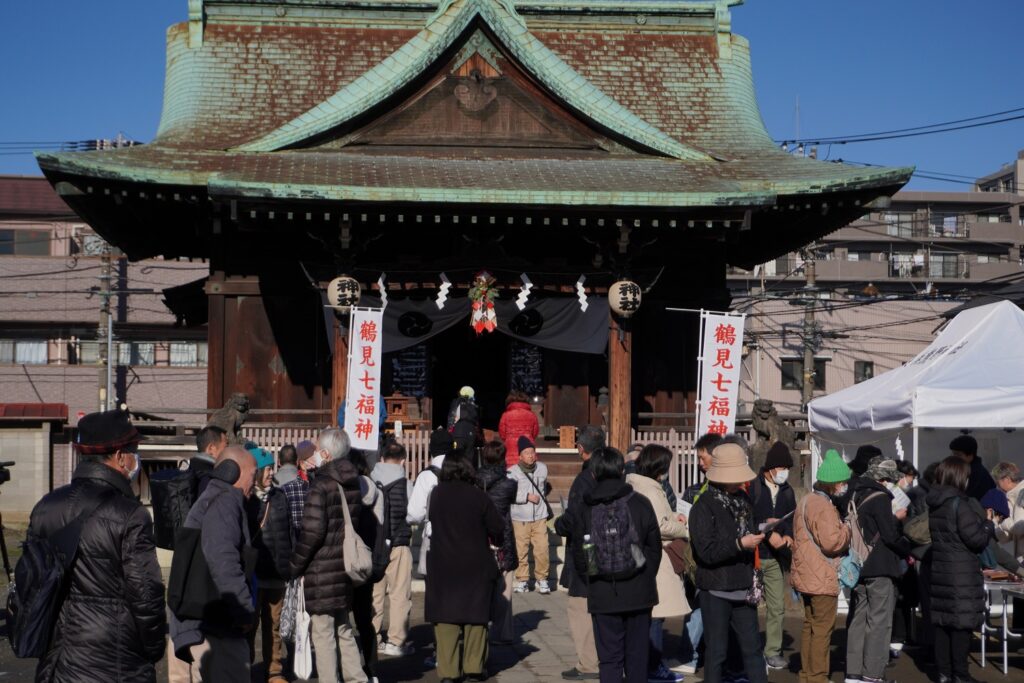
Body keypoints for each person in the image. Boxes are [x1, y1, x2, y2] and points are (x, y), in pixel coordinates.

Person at [28, 408, 165, 682]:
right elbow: (146, 596)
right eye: (133, 450)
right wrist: (152, 648)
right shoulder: (130, 514)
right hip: (115, 659)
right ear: (118, 457)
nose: (136, 458)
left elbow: (32, 579)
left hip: (58, 657)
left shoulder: (45, 506)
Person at [562, 447, 661, 683]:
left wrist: (594, 577)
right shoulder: (640, 503)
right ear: (622, 470)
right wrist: (644, 575)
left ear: (594, 473)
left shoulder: (586, 508)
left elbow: (581, 553)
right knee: (637, 657)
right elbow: (654, 547)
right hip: (638, 590)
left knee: (609, 659)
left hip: (602, 592)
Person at [173, 446, 259, 682]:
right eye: (253, 475)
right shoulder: (225, 500)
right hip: (217, 629)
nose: (256, 483)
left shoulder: (213, 497)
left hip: (204, 624)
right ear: (233, 471)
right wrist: (244, 611)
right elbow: (224, 561)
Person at [290, 428, 368, 683]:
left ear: (324, 453)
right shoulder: (354, 482)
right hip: (343, 568)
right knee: (344, 628)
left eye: (316, 449)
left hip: (321, 570)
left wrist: (295, 565)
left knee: (323, 634)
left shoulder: (321, 485)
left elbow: (312, 532)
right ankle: (357, 679)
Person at [688, 438, 767, 683]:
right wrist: (738, 544)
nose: (740, 480)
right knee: (717, 652)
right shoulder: (703, 506)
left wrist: (762, 530)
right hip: (716, 587)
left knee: (753, 650)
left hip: (743, 585)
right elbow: (705, 552)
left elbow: (748, 529)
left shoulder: (743, 500)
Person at [425, 452, 506, 683]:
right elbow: (497, 525)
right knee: (475, 617)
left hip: (443, 564)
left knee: (446, 618)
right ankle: (474, 667)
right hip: (475, 564)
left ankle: (449, 672)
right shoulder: (478, 496)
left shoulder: (437, 494)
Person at [926, 456, 995, 683]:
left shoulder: (936, 504)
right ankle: (960, 674)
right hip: (961, 574)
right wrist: (987, 524)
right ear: (959, 477)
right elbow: (975, 540)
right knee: (960, 626)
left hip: (940, 571)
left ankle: (944, 673)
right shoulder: (959, 504)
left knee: (943, 625)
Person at [625, 444, 690, 683]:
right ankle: (654, 667)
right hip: (658, 555)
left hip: (643, 554)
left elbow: (661, 518)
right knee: (656, 614)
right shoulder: (652, 490)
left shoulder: (637, 483)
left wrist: (674, 517)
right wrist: (683, 528)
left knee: (649, 614)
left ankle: (646, 665)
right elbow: (660, 525)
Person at [845, 457, 912, 683]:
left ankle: (853, 672)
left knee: (858, 619)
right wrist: (907, 549)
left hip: (858, 565)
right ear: (884, 479)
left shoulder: (855, 493)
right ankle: (872, 674)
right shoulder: (881, 497)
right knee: (879, 621)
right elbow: (890, 535)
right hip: (880, 566)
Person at [791, 449, 852, 683]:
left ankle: (806, 674)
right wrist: (846, 529)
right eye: (843, 482)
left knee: (810, 626)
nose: (844, 486)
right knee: (822, 630)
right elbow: (831, 542)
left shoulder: (806, 500)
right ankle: (817, 677)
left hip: (805, 573)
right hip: (821, 576)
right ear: (834, 483)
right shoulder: (824, 506)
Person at [555, 425, 606, 681]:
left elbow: (574, 518)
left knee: (581, 607)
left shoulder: (584, 479)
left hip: (586, 550)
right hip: (609, 548)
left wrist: (558, 525)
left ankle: (588, 663)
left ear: (581, 449)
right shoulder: (612, 474)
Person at [674, 432, 724, 675]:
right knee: (695, 606)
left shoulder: (724, 489)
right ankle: (691, 654)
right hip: (693, 557)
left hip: (712, 559)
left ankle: (691, 655)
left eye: (703, 458)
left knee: (702, 609)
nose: (700, 463)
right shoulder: (695, 489)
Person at [749, 441, 796, 670]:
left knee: (777, 606)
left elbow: (791, 520)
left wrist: (787, 536)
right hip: (754, 556)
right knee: (747, 606)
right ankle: (747, 650)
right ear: (769, 468)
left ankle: (773, 650)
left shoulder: (788, 490)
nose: (784, 472)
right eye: (781, 467)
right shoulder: (752, 487)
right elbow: (747, 519)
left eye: (787, 468)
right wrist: (766, 532)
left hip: (777, 558)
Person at [252, 447, 295, 683]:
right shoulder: (247, 498)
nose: (271, 473)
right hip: (255, 572)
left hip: (278, 571)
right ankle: (245, 667)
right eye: (267, 469)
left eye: (271, 468)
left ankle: (274, 670)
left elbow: (290, 531)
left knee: (274, 626)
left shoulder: (280, 496)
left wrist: (292, 563)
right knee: (249, 625)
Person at [371, 440, 415, 657]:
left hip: (374, 546)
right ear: (403, 460)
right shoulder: (406, 484)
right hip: (399, 543)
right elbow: (415, 514)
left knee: (375, 594)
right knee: (399, 595)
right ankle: (396, 641)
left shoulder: (369, 481)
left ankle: (373, 637)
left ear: (381, 458)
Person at [476, 440, 519, 644]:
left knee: (480, 587)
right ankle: (502, 633)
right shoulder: (509, 484)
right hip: (503, 538)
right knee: (505, 586)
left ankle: (480, 629)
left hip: (479, 537)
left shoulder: (475, 481)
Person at [347, 449, 383, 683]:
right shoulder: (376, 492)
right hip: (367, 559)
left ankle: (346, 669)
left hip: (346, 558)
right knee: (364, 618)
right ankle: (371, 670)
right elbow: (380, 526)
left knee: (341, 620)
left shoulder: (346, 491)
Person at [509, 436, 552, 594]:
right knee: (521, 550)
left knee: (542, 549)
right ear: (520, 455)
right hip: (520, 517)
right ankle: (522, 580)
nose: (531, 455)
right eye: (527, 453)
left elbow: (544, 487)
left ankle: (542, 579)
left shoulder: (542, 468)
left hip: (540, 515)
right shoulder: (512, 472)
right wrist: (526, 497)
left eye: (533, 452)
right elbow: (510, 494)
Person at [992, 461, 1024, 630]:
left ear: (1006, 479)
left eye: (998, 480)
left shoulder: (1021, 494)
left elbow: (1019, 526)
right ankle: (1019, 635)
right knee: (1019, 596)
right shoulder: (1013, 495)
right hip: (1020, 556)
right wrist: (994, 531)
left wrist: (1004, 524)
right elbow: (1009, 535)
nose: (998, 485)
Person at [498, 390, 539, 467]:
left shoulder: (506, 415)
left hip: (510, 450)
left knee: (511, 474)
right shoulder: (532, 415)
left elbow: (502, 434)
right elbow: (535, 433)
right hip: (528, 450)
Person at [949, 435, 996, 501]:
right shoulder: (967, 470)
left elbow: (968, 499)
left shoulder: (977, 474)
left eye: (958, 455)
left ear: (970, 455)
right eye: (953, 454)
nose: (954, 458)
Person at [277, 443, 309, 536]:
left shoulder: (271, 483)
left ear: (279, 462)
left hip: (283, 537)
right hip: (306, 536)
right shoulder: (306, 482)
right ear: (297, 461)